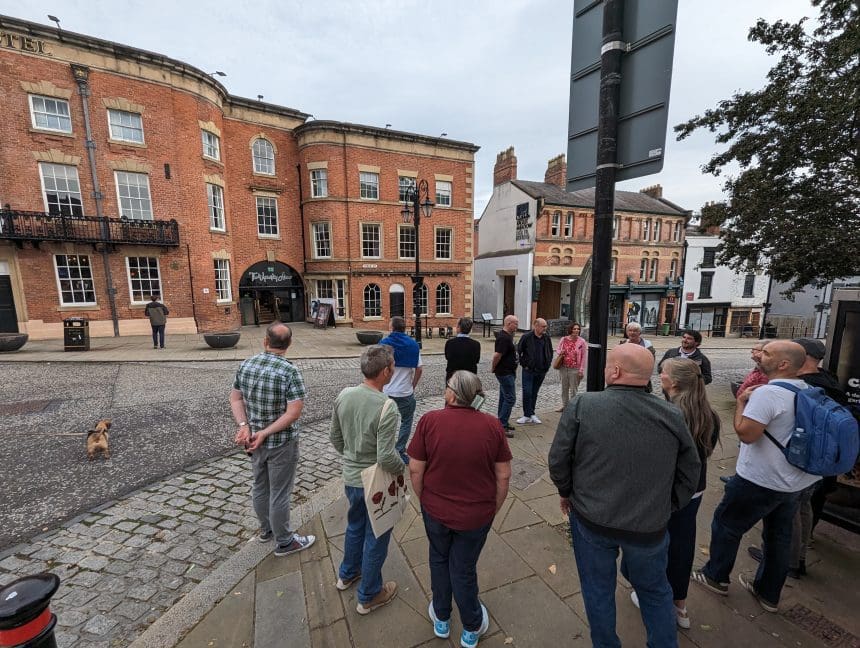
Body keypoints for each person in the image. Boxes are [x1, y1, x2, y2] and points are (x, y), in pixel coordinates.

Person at [548, 344, 700, 648]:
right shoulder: (670, 414)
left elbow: (558, 460)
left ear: (615, 372)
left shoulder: (583, 405)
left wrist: (566, 492)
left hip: (593, 520)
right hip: (649, 526)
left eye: (607, 367)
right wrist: (669, 505)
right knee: (655, 591)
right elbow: (690, 470)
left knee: (597, 590)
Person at [692, 340, 820, 613]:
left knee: (726, 525)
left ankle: (715, 576)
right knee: (778, 536)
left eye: (767, 353)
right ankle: (768, 593)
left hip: (761, 479)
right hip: (794, 481)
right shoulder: (807, 390)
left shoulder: (768, 394)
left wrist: (740, 401)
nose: (760, 355)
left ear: (784, 364)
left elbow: (746, 434)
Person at [408, 371, 512, 648]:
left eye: (447, 386)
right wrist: (495, 506)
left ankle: (441, 617)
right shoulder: (492, 426)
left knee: (439, 559)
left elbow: (416, 468)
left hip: (436, 510)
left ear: (452, 394)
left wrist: (425, 499)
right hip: (476, 514)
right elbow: (503, 475)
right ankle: (471, 626)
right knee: (463, 568)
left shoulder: (430, 421)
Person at [748, 337, 848, 575]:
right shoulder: (827, 380)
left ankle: (788, 561)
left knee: (787, 515)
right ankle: (800, 554)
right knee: (804, 507)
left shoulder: (801, 386)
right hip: (819, 462)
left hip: (798, 462)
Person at [632, 358, 720, 629]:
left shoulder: (666, 414)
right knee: (682, 545)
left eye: (663, 372)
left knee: (652, 545)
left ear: (675, 381)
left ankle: (654, 597)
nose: (660, 375)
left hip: (666, 492)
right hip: (694, 490)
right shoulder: (709, 413)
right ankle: (680, 605)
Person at [330, 345, 404, 615]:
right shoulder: (387, 406)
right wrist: (401, 468)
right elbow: (386, 456)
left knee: (355, 526)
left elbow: (335, 439)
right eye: (392, 366)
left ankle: (347, 574)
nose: (393, 369)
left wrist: (352, 456)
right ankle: (370, 595)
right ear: (385, 371)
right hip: (374, 483)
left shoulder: (344, 395)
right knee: (377, 536)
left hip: (351, 478)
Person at [230, 322, 314, 557]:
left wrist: (244, 426)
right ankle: (285, 541)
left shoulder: (246, 364)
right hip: (280, 442)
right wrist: (266, 432)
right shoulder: (290, 371)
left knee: (260, 485)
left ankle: (266, 530)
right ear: (289, 344)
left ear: (265, 342)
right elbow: (293, 413)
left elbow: (235, 399)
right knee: (279, 492)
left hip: (253, 441)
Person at [380, 316, 423, 463]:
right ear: (404, 328)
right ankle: (400, 450)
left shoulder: (384, 344)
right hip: (405, 391)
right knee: (406, 420)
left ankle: (384, 450)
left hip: (386, 391)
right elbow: (419, 369)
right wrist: (413, 385)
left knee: (384, 422)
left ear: (391, 328)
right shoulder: (413, 345)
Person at [516, 318, 552, 425]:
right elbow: (518, 351)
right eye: (543, 326)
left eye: (546, 326)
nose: (545, 328)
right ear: (536, 325)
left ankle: (531, 413)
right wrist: (524, 364)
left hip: (541, 371)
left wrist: (547, 364)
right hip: (528, 370)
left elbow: (550, 351)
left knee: (534, 392)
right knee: (527, 392)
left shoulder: (546, 338)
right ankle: (526, 415)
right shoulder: (526, 337)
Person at [491, 315, 519, 437]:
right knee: (510, 398)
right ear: (508, 324)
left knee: (504, 397)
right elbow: (497, 355)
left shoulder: (508, 337)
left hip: (509, 371)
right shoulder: (503, 338)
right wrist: (493, 367)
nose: (517, 326)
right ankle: (502, 425)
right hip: (504, 372)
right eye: (515, 324)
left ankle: (502, 421)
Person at [554, 321, 587, 412]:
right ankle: (565, 406)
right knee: (564, 389)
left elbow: (584, 356)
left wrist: (581, 370)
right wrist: (560, 352)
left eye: (578, 329)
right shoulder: (564, 339)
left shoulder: (582, 342)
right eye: (574, 329)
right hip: (564, 368)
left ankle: (573, 409)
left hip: (575, 369)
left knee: (573, 390)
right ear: (570, 330)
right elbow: (558, 349)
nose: (576, 330)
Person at [619, 321, 656, 393]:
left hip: (641, 378)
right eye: (630, 330)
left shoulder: (647, 346)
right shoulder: (622, 344)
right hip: (625, 379)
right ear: (627, 332)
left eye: (635, 331)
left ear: (640, 333)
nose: (632, 333)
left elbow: (650, 363)